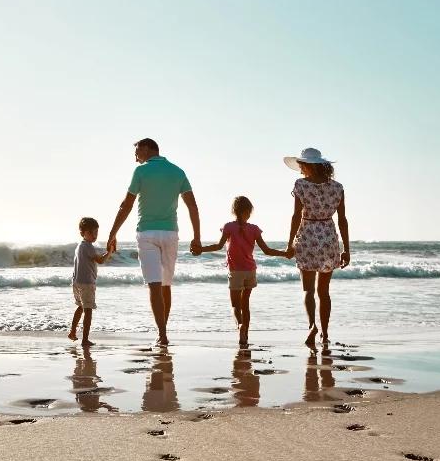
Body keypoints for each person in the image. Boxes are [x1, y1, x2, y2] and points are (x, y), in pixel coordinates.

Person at [106, 138, 201, 345]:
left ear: (149, 148)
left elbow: (126, 205)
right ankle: (163, 333)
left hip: (147, 233)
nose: (135, 155)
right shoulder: (178, 171)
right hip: (170, 234)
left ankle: (162, 334)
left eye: (138, 150)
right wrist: (197, 237)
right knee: (165, 286)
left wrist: (113, 233)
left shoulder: (141, 172)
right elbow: (192, 206)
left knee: (155, 286)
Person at [197, 196, 290, 344]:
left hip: (235, 272)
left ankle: (240, 325)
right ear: (249, 211)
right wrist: (284, 253)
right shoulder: (254, 229)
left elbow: (218, 246)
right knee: (245, 304)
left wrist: (200, 249)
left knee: (235, 305)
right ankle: (245, 334)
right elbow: (266, 250)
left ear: (234, 211)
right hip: (250, 270)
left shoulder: (229, 227)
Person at [283, 148, 350, 348]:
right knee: (324, 291)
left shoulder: (301, 185)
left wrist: (290, 244)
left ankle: (312, 326)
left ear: (307, 166)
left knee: (308, 290)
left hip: (307, 237)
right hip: (329, 237)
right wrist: (346, 248)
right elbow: (343, 220)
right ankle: (326, 334)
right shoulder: (337, 187)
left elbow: (296, 216)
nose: (301, 170)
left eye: (302, 166)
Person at [69, 217, 112, 346]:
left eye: (96, 232)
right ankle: (85, 339)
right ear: (83, 233)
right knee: (88, 310)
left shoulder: (79, 246)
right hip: (86, 283)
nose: (94, 235)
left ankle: (72, 332)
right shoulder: (88, 246)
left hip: (76, 282)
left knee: (80, 307)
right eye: (91, 232)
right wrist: (109, 252)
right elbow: (100, 260)